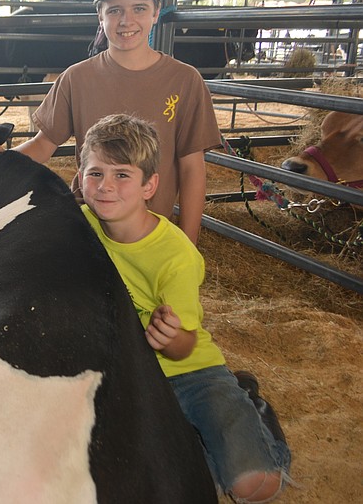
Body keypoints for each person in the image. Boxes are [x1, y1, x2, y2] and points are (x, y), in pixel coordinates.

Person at [80, 113, 292, 502]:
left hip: (192, 373)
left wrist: (170, 336)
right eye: (95, 173)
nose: (105, 187)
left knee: (254, 487)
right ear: (80, 177)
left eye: (122, 175)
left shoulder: (175, 254)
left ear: (150, 186)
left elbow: (185, 346)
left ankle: (252, 405)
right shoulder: (80, 223)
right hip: (129, 372)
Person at [0, 0, 221, 244]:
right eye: (114, 10)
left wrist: (187, 245)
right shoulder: (76, 78)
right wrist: (3, 159)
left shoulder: (185, 81)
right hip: (87, 233)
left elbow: (191, 167)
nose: (126, 21)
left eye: (139, 8)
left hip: (152, 235)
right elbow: (44, 143)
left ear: (155, 13)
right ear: (99, 17)